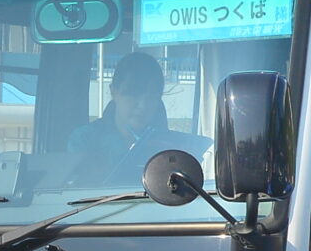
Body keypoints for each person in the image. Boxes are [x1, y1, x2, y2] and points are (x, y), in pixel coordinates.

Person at [67, 50, 208, 186]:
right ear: (113, 91)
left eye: (152, 96)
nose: (143, 105)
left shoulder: (172, 148)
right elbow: (81, 194)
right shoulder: (85, 139)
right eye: (134, 93)